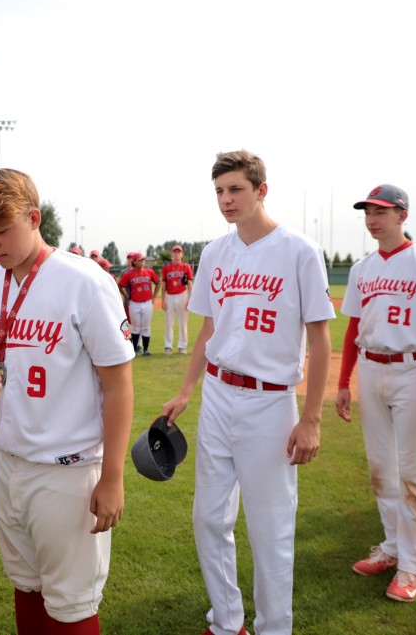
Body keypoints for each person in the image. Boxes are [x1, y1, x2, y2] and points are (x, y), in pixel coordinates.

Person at [162, 150, 333, 635]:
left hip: (270, 400)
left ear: (261, 190)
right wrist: (187, 389)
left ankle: (274, 627)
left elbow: (320, 341)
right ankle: (226, 620)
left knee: (269, 528)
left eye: (235, 189)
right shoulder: (215, 252)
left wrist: (311, 418)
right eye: (219, 191)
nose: (226, 199)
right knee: (208, 520)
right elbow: (209, 331)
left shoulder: (300, 250)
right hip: (218, 394)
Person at [0, 168, 134, 635]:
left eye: (2, 230)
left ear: (34, 218)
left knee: (73, 602)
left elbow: (119, 386)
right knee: (26, 585)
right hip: (9, 461)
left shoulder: (84, 281)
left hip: (69, 468)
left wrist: (113, 477)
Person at [335, 184, 416, 603]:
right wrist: (343, 382)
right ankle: (391, 547)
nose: (372, 218)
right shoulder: (362, 267)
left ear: (402, 215)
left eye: (381, 211)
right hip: (370, 369)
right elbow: (352, 329)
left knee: (414, 476)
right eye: (368, 211)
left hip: (414, 371)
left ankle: (412, 567)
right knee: (381, 470)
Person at [118, 253, 160, 356]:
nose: (142, 262)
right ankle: (135, 350)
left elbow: (158, 282)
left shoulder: (149, 271)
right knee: (135, 327)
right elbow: (120, 285)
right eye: (139, 260)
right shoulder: (129, 274)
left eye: (143, 260)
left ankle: (146, 349)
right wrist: (127, 297)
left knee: (146, 327)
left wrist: (154, 297)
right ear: (134, 262)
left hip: (147, 302)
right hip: (134, 303)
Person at [161, 245, 194, 355]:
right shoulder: (166, 267)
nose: (176, 254)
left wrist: (190, 297)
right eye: (174, 252)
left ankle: (182, 346)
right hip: (170, 296)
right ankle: (168, 346)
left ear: (182, 254)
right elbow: (164, 283)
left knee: (183, 323)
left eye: (178, 252)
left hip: (182, 295)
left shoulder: (186, 267)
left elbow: (189, 282)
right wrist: (163, 298)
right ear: (171, 254)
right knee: (169, 323)